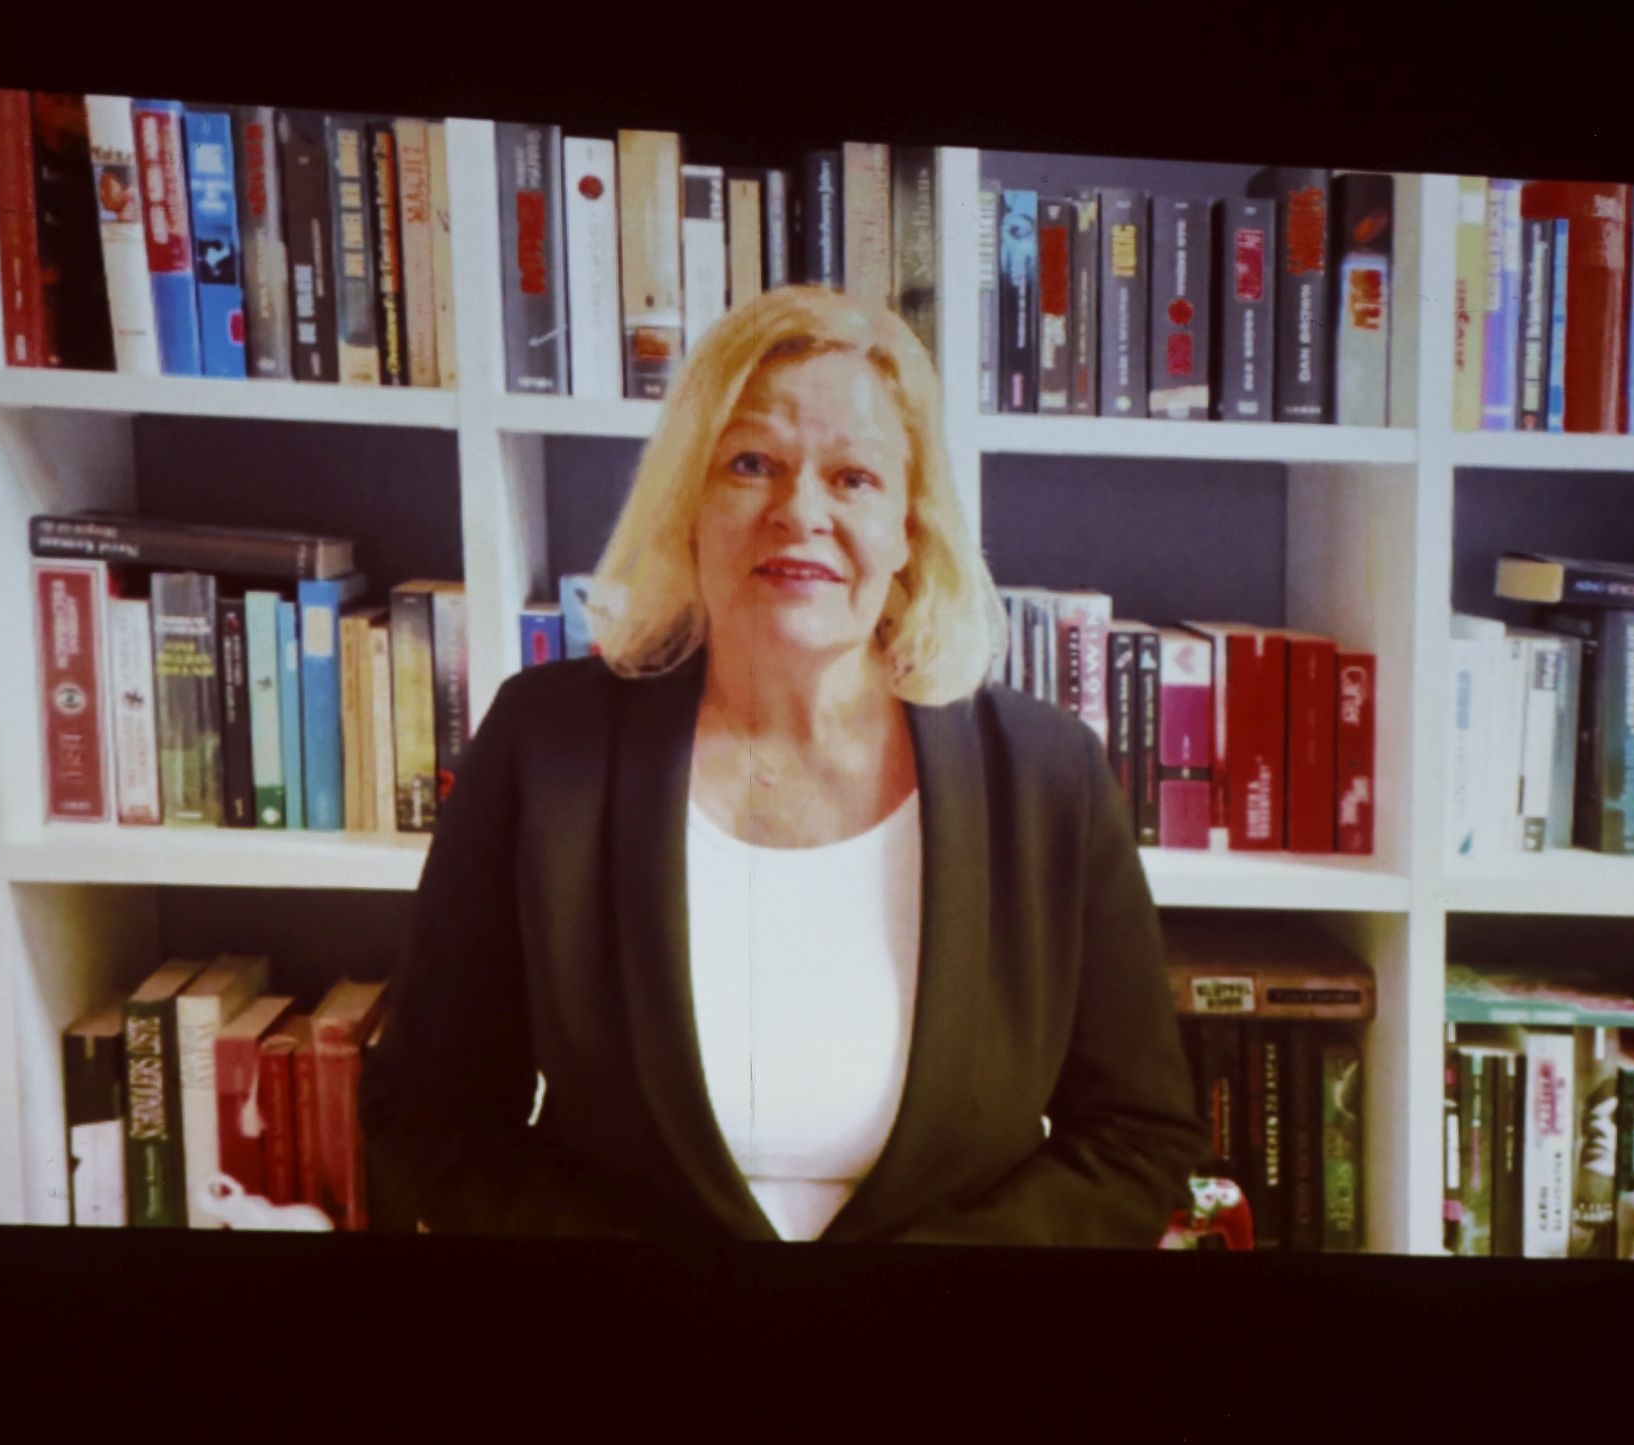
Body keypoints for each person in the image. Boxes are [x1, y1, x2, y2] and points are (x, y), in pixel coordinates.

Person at [360, 285, 1208, 1244]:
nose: (799, 510)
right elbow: (429, 1112)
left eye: (854, 477)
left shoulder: (1049, 779)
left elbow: (1137, 1137)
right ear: (689, 502)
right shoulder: (544, 747)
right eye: (751, 463)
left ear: (909, 527)